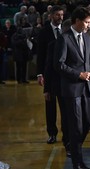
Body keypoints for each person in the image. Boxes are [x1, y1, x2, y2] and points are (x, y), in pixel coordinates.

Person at [54, 7, 90, 169]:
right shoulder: (63, 39)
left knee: (88, 122)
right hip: (72, 89)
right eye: (86, 22)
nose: (88, 26)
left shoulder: (88, 37)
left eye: (89, 23)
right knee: (76, 127)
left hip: (88, 88)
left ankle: (73, 143)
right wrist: (78, 74)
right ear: (77, 21)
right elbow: (58, 64)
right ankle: (77, 162)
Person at [36, 5, 66, 145]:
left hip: (64, 74)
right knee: (50, 106)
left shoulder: (66, 31)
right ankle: (52, 133)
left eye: (61, 15)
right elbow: (41, 54)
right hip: (50, 74)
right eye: (57, 15)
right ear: (51, 15)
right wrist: (39, 73)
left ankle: (66, 133)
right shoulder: (44, 31)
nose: (60, 17)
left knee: (65, 106)